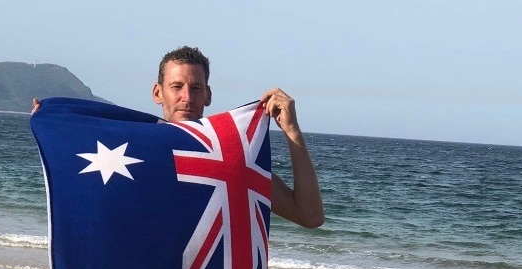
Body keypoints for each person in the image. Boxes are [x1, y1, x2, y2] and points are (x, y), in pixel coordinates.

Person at [33, 45, 323, 228]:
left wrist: (292, 132)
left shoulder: (227, 160)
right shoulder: (131, 150)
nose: (187, 97)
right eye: (176, 86)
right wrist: (53, 126)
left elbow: (309, 216)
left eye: (196, 88)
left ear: (208, 95)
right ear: (158, 92)